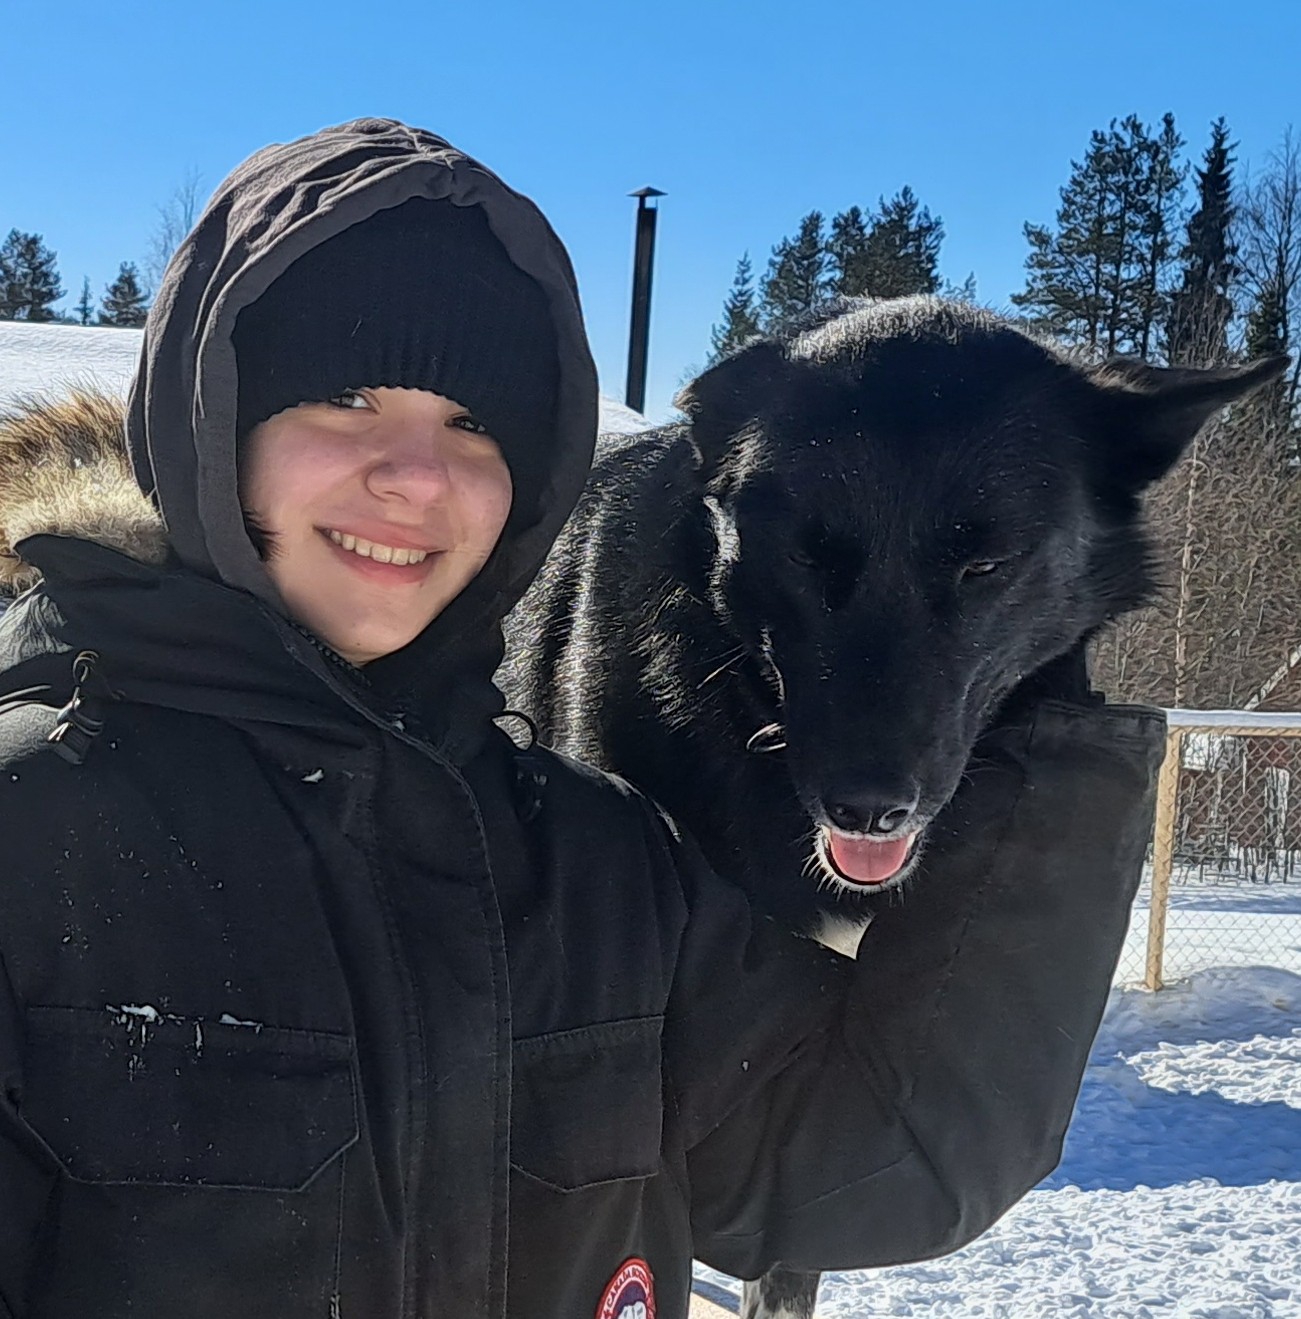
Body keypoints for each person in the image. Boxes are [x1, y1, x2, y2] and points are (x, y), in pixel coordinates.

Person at [0, 119, 1164, 1319]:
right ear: (207, 420)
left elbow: (889, 1155)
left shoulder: (598, 863)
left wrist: (1035, 698)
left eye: (474, 422)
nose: (417, 474)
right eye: (343, 397)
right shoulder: (31, 831)